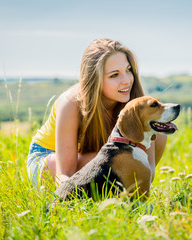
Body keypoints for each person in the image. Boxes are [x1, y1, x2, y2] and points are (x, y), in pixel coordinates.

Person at [27, 38, 167, 188]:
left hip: (97, 153)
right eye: (114, 75)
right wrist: (62, 202)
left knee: (158, 134)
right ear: (95, 79)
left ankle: (117, 194)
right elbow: (65, 173)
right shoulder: (70, 103)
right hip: (49, 156)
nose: (126, 80)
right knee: (111, 160)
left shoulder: (135, 102)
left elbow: (145, 168)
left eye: (128, 70)